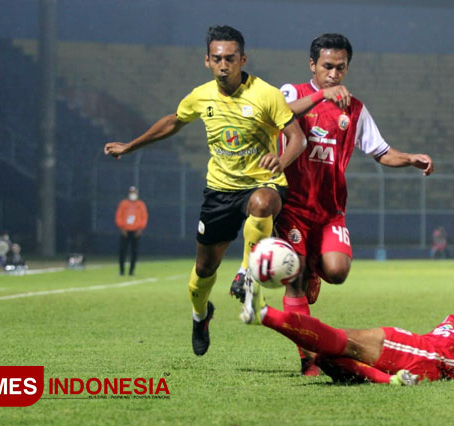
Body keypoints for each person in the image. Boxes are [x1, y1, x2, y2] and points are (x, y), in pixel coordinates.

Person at [231, 33, 433, 375]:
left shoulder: (355, 110)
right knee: (294, 277)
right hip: (293, 204)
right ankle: (308, 359)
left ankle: (315, 271)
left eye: (340, 68)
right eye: (327, 66)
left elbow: (381, 152)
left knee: (337, 271)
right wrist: (321, 95)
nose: (334, 74)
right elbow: (274, 114)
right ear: (313, 65)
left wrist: (410, 157)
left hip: (330, 211)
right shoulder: (291, 93)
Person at [103, 25, 307, 357]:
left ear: (243, 59)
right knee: (204, 270)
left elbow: (298, 138)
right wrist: (130, 146)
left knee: (263, 202)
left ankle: (248, 275)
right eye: (217, 59)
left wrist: (281, 161)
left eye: (230, 58)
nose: (224, 65)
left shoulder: (266, 94)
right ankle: (201, 315)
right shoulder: (201, 96)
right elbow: (173, 121)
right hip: (219, 193)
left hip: (262, 182)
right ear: (207, 61)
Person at [240, 272, 454, 385]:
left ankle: (262, 314)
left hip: (423, 357)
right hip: (414, 347)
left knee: (341, 343)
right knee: (327, 353)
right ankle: (390, 382)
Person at [114, 186, 148, 276]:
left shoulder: (140, 204)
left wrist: (140, 229)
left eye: (134, 192)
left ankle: (131, 271)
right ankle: (121, 271)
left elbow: (144, 217)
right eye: (131, 192)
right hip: (125, 231)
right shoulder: (123, 204)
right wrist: (122, 227)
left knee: (134, 252)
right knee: (122, 251)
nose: (133, 194)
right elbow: (119, 216)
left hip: (136, 231)